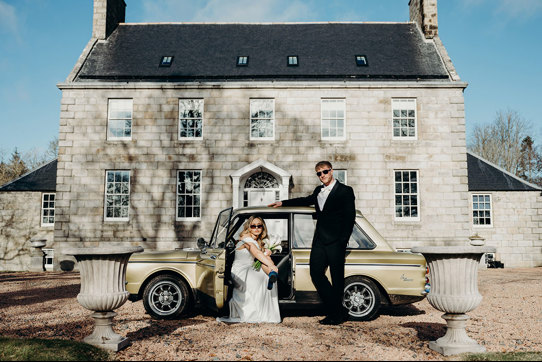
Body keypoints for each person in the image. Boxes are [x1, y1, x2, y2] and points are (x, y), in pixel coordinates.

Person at [269, 161, 355, 325]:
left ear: (332, 171)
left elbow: (350, 218)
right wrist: (283, 203)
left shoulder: (345, 191)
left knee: (337, 280)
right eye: (319, 173)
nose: (322, 175)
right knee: (316, 273)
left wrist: (342, 242)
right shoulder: (318, 191)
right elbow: (306, 199)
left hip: (336, 242)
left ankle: (335, 316)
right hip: (320, 241)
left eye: (325, 172)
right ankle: (338, 310)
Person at [217, 216, 281, 323]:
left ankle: (271, 274)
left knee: (265, 267)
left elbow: (259, 253)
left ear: (262, 227)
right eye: (253, 226)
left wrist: (268, 251)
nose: (256, 228)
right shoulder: (246, 238)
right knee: (261, 274)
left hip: (250, 267)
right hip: (239, 271)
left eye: (259, 226)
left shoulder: (258, 240)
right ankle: (272, 271)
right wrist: (272, 264)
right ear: (249, 227)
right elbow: (256, 253)